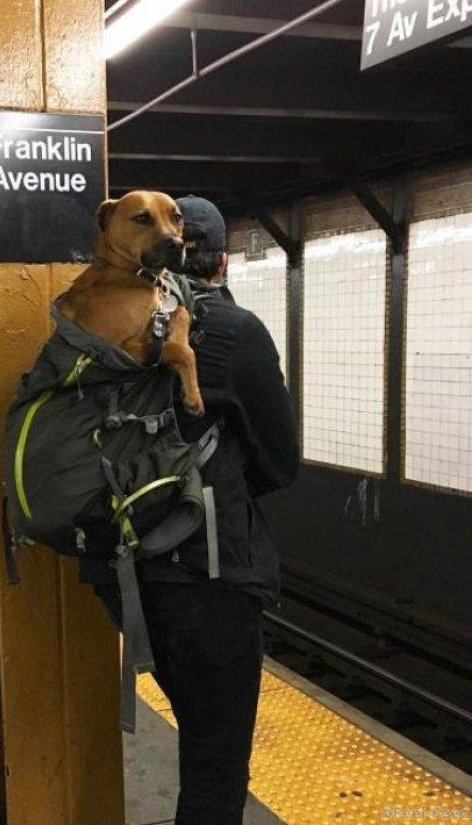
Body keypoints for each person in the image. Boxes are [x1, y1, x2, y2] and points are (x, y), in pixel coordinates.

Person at [81, 196, 299, 825]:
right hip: (205, 581)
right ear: (223, 261)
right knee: (215, 762)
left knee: (200, 726)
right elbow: (281, 463)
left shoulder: (96, 318)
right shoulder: (231, 332)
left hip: (118, 568)